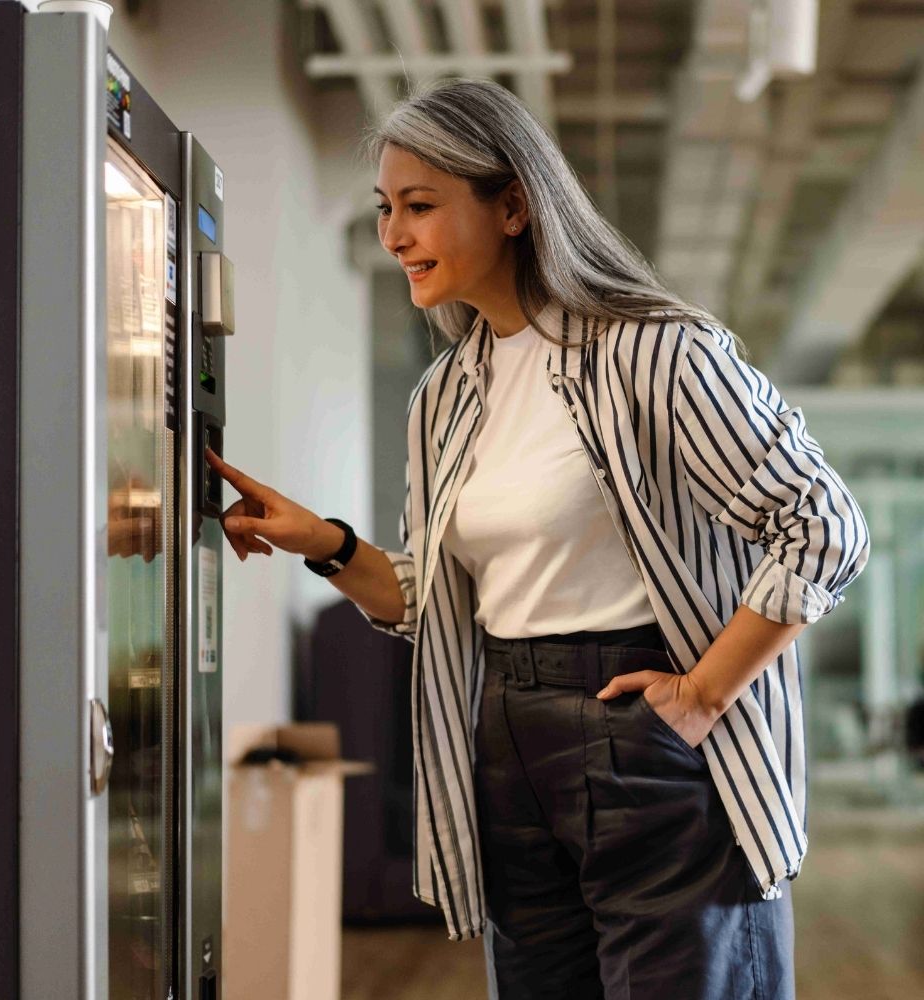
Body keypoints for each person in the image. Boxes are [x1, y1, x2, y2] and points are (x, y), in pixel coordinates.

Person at [206, 78, 871, 1000]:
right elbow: (439, 603)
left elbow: (823, 524)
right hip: (505, 740)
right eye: (386, 209)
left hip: (650, 738)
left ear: (514, 204)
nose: (394, 235)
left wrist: (702, 695)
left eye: (422, 206)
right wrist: (322, 541)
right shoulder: (444, 398)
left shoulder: (657, 353)